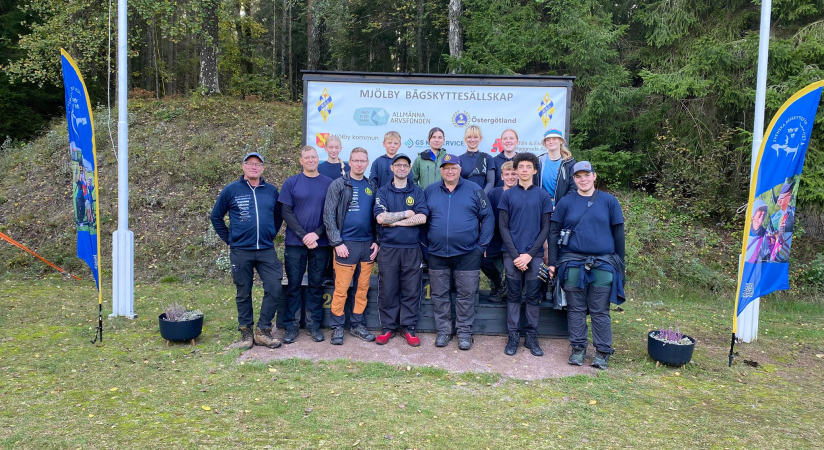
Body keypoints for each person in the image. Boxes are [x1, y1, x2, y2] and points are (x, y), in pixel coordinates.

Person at [548, 161, 625, 370]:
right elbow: (554, 233)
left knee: (600, 310)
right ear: (574, 179)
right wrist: (553, 262)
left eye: (586, 175)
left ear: (594, 176)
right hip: (572, 263)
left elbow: (619, 235)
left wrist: (620, 264)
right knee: (576, 308)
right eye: (578, 176)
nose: (583, 180)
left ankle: (602, 351)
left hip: (603, 264)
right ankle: (578, 348)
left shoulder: (609, 201)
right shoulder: (566, 202)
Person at [210, 152, 284, 349]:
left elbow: (278, 216)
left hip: (266, 249)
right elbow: (216, 217)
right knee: (243, 292)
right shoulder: (231, 190)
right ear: (243, 166)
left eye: (258, 164)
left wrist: (270, 233)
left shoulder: (271, 191)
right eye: (250, 163)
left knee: (274, 288)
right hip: (241, 250)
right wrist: (229, 239)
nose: (254, 167)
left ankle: (263, 331)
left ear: (262, 168)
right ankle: (246, 334)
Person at [424, 154, 494, 350]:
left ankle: (464, 333)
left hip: (468, 254)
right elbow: (422, 220)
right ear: (441, 170)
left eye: (453, 167)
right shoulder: (430, 191)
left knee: (466, 295)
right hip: (437, 253)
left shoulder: (475, 189)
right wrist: (425, 247)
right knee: (439, 294)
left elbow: (488, 217)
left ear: (460, 169)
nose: (450, 171)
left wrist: (481, 247)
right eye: (446, 167)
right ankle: (443, 331)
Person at [323, 147, 380, 345]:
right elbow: (328, 215)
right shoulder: (339, 184)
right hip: (345, 245)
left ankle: (357, 324)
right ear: (349, 162)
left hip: (367, 246)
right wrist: (337, 242)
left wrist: (377, 241)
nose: (359, 164)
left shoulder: (371, 185)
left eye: (363, 161)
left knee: (362, 288)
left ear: (367, 163)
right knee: (341, 289)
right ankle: (337, 327)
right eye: (355, 160)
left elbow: (377, 216)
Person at [498, 152, 552, 357]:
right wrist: (515, 255)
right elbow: (503, 227)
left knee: (533, 295)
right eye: (521, 166)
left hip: (535, 255)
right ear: (516, 170)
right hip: (511, 254)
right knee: (513, 295)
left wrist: (529, 255)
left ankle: (531, 336)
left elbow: (546, 228)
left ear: (535, 170)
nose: (524, 170)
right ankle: (513, 335)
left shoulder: (543, 196)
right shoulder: (507, 195)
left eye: (529, 166)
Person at [279, 146, 334, 344]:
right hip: (295, 243)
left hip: (321, 243)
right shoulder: (291, 182)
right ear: (301, 161)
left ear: (318, 159)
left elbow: (332, 214)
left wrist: (316, 234)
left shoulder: (329, 183)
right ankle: (292, 326)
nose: (310, 160)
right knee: (293, 285)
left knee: (316, 285)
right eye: (307, 157)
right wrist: (304, 236)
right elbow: (286, 212)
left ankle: (313, 325)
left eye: (313, 157)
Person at [373, 153, 428, 346]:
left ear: (409, 168)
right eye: (398, 165)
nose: (402, 168)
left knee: (411, 289)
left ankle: (408, 327)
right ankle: (388, 327)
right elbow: (381, 218)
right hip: (388, 248)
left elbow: (422, 218)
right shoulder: (383, 191)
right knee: (387, 289)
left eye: (405, 165)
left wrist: (395, 222)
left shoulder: (417, 191)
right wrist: (406, 214)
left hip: (412, 248)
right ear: (392, 168)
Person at [483, 161, 518, 303]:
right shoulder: (494, 193)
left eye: (513, 174)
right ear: (502, 176)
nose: (510, 177)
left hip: (515, 238)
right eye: (507, 174)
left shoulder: (523, 193)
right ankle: (498, 284)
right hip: (496, 236)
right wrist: (485, 241)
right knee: (483, 260)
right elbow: (487, 216)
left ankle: (511, 290)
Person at [537, 129, 577, 205]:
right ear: (545, 143)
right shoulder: (539, 161)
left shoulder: (569, 162)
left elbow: (573, 188)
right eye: (548, 140)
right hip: (542, 206)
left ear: (561, 141)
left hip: (562, 206)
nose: (551, 142)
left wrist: (560, 205)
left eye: (554, 139)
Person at [459, 125, 495, 193]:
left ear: (480, 138)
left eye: (475, 137)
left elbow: (490, 182)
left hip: (483, 197)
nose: (472, 140)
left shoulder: (488, 158)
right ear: (465, 138)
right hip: (464, 196)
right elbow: (457, 182)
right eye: (469, 137)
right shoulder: (459, 159)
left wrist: (481, 196)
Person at [768, 181, 796, 262]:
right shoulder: (774, 218)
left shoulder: (793, 212)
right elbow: (770, 238)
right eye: (789, 194)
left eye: (791, 193)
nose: (791, 196)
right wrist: (776, 235)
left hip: (788, 255)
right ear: (780, 201)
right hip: (776, 256)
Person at [745, 199, 770, 264]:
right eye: (761, 209)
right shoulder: (746, 233)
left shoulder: (767, 235)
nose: (763, 213)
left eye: (765, 210)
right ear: (752, 215)